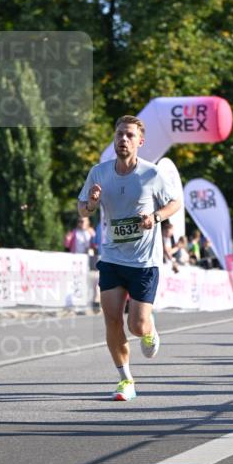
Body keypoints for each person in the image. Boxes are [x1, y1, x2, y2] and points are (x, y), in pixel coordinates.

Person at [78, 115, 181, 401]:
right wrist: (92, 203)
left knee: (136, 325)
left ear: (140, 141)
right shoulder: (98, 173)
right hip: (111, 257)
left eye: (129, 136)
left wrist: (155, 217)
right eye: (119, 134)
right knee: (111, 319)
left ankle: (149, 329)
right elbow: (82, 211)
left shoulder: (151, 174)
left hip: (144, 261)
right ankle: (126, 380)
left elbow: (175, 203)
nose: (123, 139)